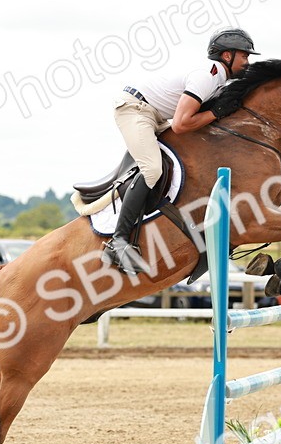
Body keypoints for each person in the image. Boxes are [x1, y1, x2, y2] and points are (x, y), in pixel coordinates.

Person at [101, 28, 260, 275]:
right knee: (152, 169)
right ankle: (118, 241)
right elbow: (181, 124)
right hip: (135, 109)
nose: (248, 62)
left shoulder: (219, 80)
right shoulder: (208, 76)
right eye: (245, 56)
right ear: (227, 56)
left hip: (156, 113)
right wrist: (216, 112)